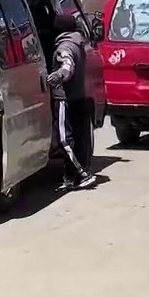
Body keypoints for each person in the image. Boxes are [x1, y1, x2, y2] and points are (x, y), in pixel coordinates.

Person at [47, 14, 97, 191]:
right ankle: (70, 177)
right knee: (78, 137)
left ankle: (83, 174)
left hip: (64, 98)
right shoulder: (79, 43)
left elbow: (67, 66)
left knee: (63, 139)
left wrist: (58, 76)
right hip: (78, 96)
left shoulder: (64, 46)